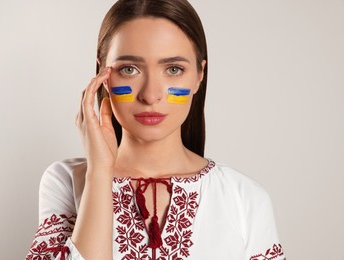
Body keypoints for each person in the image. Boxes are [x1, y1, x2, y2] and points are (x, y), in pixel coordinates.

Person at [26, 0, 286, 259]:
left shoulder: (244, 197)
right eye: (129, 69)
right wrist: (100, 173)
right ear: (102, 76)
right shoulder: (67, 181)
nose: (150, 95)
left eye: (173, 69)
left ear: (199, 75)